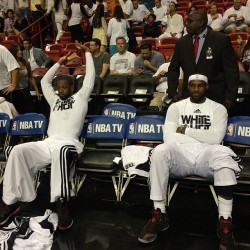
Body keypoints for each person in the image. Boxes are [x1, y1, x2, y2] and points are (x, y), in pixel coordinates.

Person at [138, 73, 242, 250]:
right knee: (159, 151)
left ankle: (225, 222)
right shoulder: (176, 107)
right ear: (187, 87)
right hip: (181, 155)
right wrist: (201, 137)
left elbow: (216, 138)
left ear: (206, 87)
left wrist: (185, 131)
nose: (196, 89)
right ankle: (159, 214)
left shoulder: (218, 109)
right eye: (192, 85)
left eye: (200, 85)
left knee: (224, 155)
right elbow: (169, 138)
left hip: (207, 155)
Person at [0, 43, 95, 230]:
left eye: (64, 87)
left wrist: (87, 53)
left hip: (69, 143)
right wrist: (59, 62)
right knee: (17, 150)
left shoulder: (81, 98)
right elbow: (44, 82)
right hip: (48, 143)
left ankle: (61, 202)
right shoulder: (54, 100)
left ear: (73, 87)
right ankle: (11, 201)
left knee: (61, 150)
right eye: (58, 87)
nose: (60, 90)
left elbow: (91, 76)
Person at [167, 11, 239, 110]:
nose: (186, 24)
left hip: (215, 97)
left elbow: (231, 71)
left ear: (200, 23)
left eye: (190, 21)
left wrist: (230, 96)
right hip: (188, 98)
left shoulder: (221, 40)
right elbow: (173, 69)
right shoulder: (181, 43)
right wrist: (172, 92)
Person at [8, 43, 41, 114]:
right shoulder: (9, 64)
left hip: (26, 91)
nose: (20, 51)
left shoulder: (26, 63)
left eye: (20, 50)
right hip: (15, 93)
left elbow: (30, 77)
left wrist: (37, 90)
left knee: (30, 111)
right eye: (17, 50)